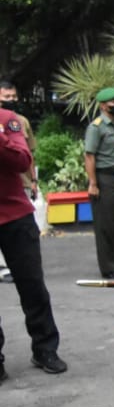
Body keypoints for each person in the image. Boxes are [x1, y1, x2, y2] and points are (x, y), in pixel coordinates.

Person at [0, 102, 66, 382]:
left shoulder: (8, 120)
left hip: (15, 216)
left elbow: (22, 160)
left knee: (32, 286)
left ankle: (45, 349)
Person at [84, 86, 114, 278]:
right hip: (104, 178)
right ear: (103, 106)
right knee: (106, 225)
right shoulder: (96, 127)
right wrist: (93, 183)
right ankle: (108, 268)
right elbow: (89, 156)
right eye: (113, 102)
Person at [0, 81, 37, 282]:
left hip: (14, 204)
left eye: (13, 97)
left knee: (33, 287)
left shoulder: (11, 120)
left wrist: (34, 180)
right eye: (7, 97)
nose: (11, 101)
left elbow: (26, 156)